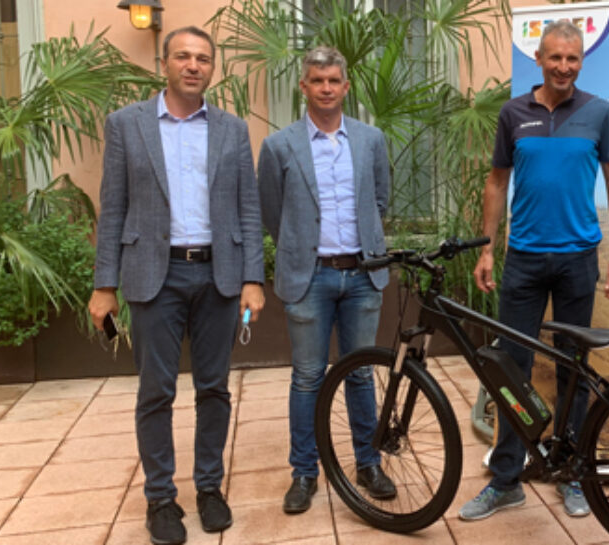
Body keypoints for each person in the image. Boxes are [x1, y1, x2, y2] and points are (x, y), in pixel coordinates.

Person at [88, 26, 265, 545]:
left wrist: (253, 277)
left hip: (218, 275)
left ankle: (209, 488)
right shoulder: (127, 124)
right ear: (163, 64)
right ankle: (161, 499)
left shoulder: (232, 129)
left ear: (212, 69)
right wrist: (104, 284)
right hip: (153, 276)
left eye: (203, 59)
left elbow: (248, 208)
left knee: (214, 389)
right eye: (183, 56)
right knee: (156, 392)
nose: (193, 65)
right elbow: (113, 207)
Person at [463, 19, 609, 521]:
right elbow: (496, 182)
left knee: (571, 370)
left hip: (578, 259)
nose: (563, 67)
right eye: (554, 57)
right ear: (538, 58)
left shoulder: (599, 112)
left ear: (582, 61)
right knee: (511, 370)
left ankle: (572, 471)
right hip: (524, 259)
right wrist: (487, 249)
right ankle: (506, 479)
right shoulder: (514, 113)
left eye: (572, 58)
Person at [256, 46, 395, 515]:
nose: (326, 88)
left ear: (346, 86)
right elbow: (272, 212)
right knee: (307, 378)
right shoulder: (279, 146)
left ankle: (368, 464)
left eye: (334, 80)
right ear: (304, 86)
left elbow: (380, 200)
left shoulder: (371, 139)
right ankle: (304, 472)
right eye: (317, 81)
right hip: (309, 278)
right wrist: (299, 249)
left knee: (360, 373)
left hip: (362, 276)